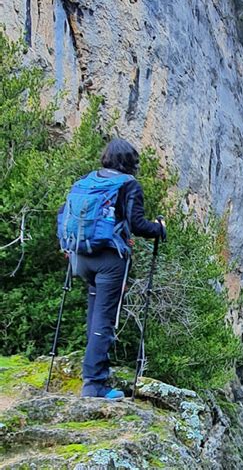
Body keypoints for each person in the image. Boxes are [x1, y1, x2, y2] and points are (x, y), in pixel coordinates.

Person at [75, 138, 166, 401]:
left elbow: (65, 212)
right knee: (105, 319)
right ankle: (94, 384)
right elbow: (137, 225)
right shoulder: (128, 185)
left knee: (95, 315)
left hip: (82, 258)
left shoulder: (88, 180)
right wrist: (159, 227)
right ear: (129, 162)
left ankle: (91, 371)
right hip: (109, 262)